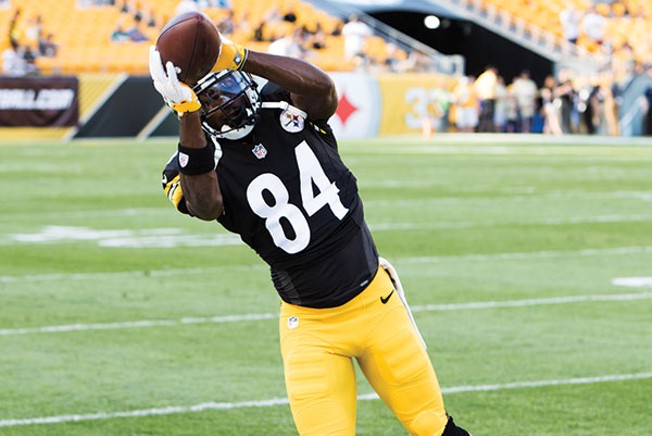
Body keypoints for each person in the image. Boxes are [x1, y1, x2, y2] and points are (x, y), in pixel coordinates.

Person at [149, 14, 471, 436]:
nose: (225, 100)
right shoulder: (194, 161)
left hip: (377, 304)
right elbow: (205, 205)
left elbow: (323, 90)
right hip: (312, 329)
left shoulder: (281, 102)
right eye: (209, 99)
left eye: (226, 84)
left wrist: (239, 55)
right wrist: (187, 115)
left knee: (434, 427)